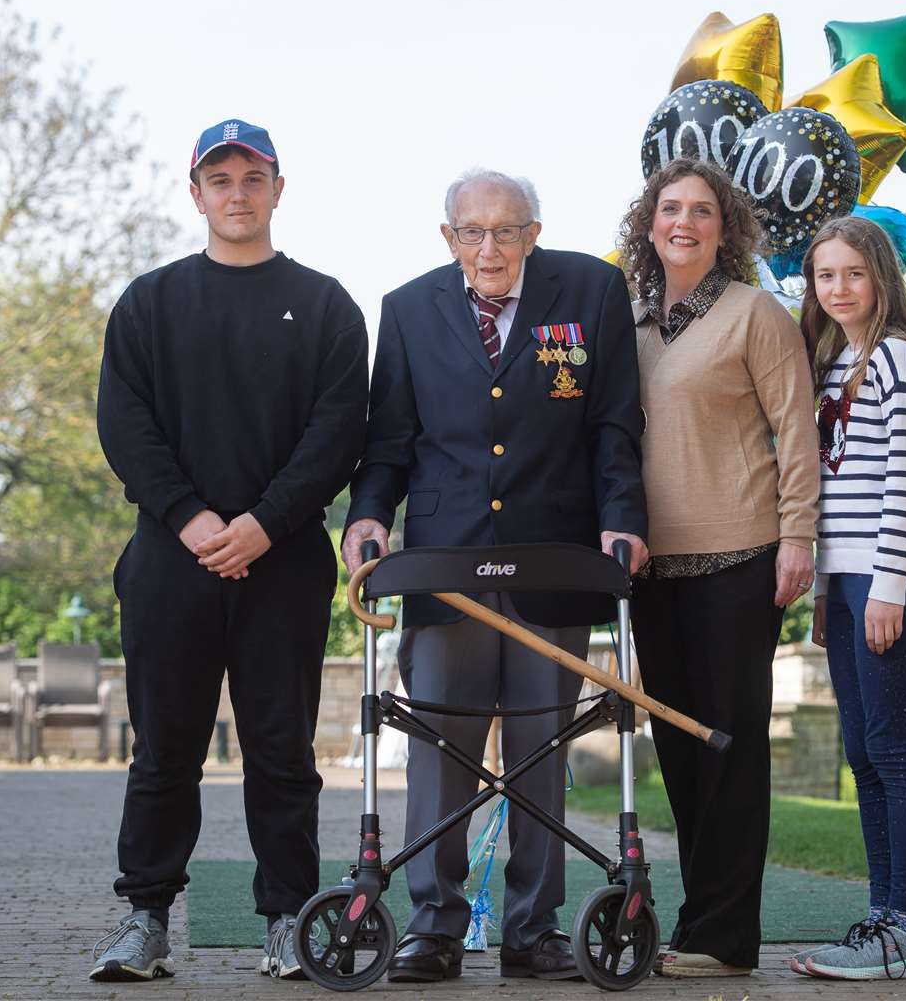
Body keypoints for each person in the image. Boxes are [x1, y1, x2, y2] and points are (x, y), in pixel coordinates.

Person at [342, 168, 647, 983]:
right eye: (471, 233)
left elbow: (615, 423)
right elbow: (389, 440)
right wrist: (367, 516)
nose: (489, 248)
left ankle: (532, 929)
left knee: (539, 747)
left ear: (533, 233)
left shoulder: (591, 290)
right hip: (445, 566)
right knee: (441, 743)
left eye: (506, 231)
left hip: (554, 554)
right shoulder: (406, 309)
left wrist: (624, 518)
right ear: (448, 239)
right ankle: (433, 927)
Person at [90, 119, 369, 983]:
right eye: (221, 179)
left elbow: (338, 432)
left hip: (282, 562)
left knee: (282, 753)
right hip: (171, 561)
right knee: (164, 749)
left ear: (278, 190)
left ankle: (286, 920)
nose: (238, 193)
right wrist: (190, 518)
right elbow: (123, 424)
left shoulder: (325, 305)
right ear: (196, 193)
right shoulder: (149, 303)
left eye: (254, 177)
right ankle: (145, 921)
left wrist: (263, 523)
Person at [616, 156, 819, 978]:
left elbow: (796, 430)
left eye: (702, 211)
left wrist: (798, 537)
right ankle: (698, 921)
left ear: (724, 228)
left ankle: (725, 937)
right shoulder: (625, 322)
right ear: (648, 223)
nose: (684, 223)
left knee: (729, 752)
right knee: (679, 751)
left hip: (740, 558)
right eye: (671, 209)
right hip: (649, 570)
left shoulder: (754, 315)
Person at [790, 215, 906, 980]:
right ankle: (884, 918)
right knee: (861, 753)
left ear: (881, 276)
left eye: (853, 273)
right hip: (847, 580)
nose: (839, 288)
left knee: (891, 746)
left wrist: (886, 586)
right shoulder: (833, 361)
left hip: (897, 577)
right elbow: (827, 490)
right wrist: (827, 592)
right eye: (825, 275)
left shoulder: (898, 359)